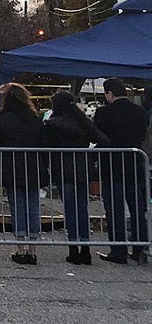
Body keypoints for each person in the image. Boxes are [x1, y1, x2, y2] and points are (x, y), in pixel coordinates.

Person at [43, 90, 109, 265]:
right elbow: (102, 139)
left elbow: (46, 146)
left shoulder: (52, 124)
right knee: (82, 209)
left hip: (63, 170)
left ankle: (73, 248)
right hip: (82, 169)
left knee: (70, 210)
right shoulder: (83, 123)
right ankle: (85, 249)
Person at [93, 78, 150, 265]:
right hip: (135, 163)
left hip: (112, 166)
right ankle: (140, 247)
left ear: (110, 94)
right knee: (138, 208)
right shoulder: (141, 112)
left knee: (115, 210)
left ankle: (118, 250)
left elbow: (98, 136)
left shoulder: (103, 113)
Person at [0, 82, 46, 265]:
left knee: (17, 206)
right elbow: (43, 144)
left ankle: (20, 247)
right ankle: (33, 248)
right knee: (33, 206)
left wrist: (1, 164)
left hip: (11, 166)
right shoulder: (34, 119)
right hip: (33, 166)